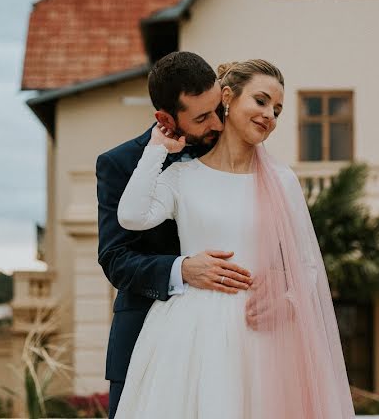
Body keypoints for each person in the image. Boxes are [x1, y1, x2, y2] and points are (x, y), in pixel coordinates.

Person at [114, 59, 354, 418]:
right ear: (227, 97)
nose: (269, 115)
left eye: (277, 109)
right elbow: (132, 216)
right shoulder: (182, 175)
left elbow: (307, 265)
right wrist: (157, 148)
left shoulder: (284, 181)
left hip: (259, 332)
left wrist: (288, 302)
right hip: (190, 333)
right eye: (260, 101)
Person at [96, 51, 254, 419]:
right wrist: (181, 269)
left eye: (218, 109)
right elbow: (116, 259)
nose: (216, 124)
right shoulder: (118, 165)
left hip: (227, 346)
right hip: (143, 341)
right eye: (201, 117)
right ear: (166, 119)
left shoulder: (235, 152)